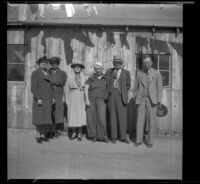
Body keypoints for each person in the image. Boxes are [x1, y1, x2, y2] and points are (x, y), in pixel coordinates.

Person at [133, 55, 163, 148]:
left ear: (152, 63)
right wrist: (135, 96)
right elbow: (136, 86)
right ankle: (138, 140)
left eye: (148, 62)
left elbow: (159, 88)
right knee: (139, 120)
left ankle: (150, 142)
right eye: (145, 62)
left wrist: (158, 100)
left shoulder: (157, 73)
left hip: (151, 100)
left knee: (151, 121)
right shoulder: (139, 73)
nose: (146, 64)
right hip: (140, 99)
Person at [105, 55, 131, 144]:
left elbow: (128, 85)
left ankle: (123, 137)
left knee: (122, 117)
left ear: (121, 63)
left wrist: (123, 92)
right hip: (111, 96)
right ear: (113, 63)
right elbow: (105, 82)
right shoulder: (109, 72)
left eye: (119, 63)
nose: (117, 64)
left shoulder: (126, 73)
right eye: (115, 63)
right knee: (112, 117)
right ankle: (114, 137)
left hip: (121, 97)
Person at [31, 56, 54, 143]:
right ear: (39, 64)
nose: (44, 64)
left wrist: (52, 97)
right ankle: (38, 136)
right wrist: (38, 98)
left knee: (46, 117)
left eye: (45, 63)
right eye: (42, 63)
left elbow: (51, 87)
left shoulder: (48, 73)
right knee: (39, 117)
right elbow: (33, 87)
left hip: (48, 98)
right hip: (40, 98)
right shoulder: (35, 73)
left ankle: (43, 135)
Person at [85, 62, 110, 143]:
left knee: (102, 118)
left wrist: (106, 96)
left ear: (102, 69)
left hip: (102, 100)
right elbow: (86, 88)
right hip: (91, 99)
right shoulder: (91, 78)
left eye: (99, 68)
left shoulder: (105, 78)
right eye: (96, 69)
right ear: (94, 70)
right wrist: (87, 100)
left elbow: (109, 88)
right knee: (92, 118)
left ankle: (103, 136)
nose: (98, 70)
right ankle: (94, 136)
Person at [65, 61, 87, 141]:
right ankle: (74, 132)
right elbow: (66, 88)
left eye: (79, 67)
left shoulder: (84, 77)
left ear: (81, 69)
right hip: (72, 96)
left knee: (80, 115)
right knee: (73, 115)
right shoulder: (69, 76)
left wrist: (83, 89)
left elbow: (87, 87)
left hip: (81, 97)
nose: (77, 68)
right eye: (75, 67)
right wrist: (67, 99)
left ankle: (80, 133)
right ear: (73, 68)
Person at [48, 57, 67, 138]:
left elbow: (63, 82)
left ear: (58, 64)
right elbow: (46, 81)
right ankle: (50, 130)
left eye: (56, 63)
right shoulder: (48, 72)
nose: (54, 65)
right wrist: (52, 83)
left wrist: (52, 82)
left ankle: (57, 130)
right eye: (52, 64)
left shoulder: (63, 73)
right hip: (49, 93)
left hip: (59, 93)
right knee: (50, 112)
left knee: (58, 112)